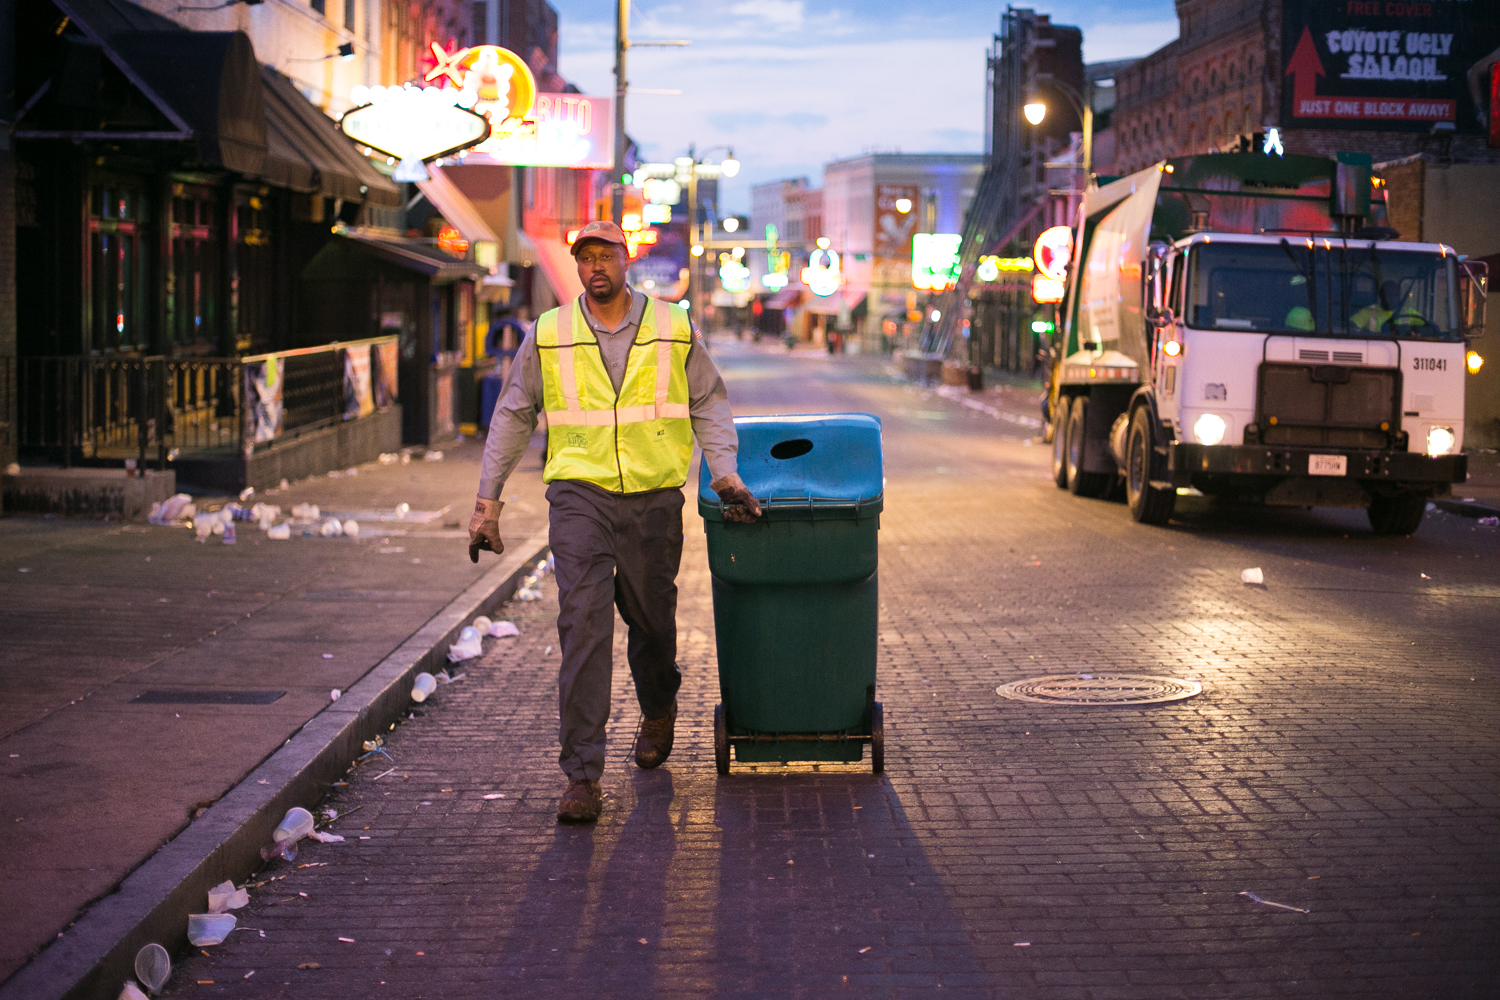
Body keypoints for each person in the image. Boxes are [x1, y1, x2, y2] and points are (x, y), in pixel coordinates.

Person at [468, 220, 762, 824]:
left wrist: (724, 472)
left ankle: (658, 709)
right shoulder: (548, 333)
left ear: (626, 261)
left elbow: (708, 400)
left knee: (653, 626)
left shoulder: (672, 327)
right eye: (585, 258)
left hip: (654, 498)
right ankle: (581, 774)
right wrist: (487, 503)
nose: (595, 266)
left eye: (606, 255)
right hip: (579, 496)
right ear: (576, 267)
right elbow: (514, 414)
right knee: (583, 625)